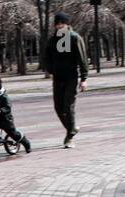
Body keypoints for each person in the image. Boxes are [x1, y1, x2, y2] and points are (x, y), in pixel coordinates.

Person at [40, 12, 88, 148]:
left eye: (62, 23)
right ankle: (72, 128)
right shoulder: (53, 40)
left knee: (68, 106)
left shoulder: (74, 38)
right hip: (58, 78)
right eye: (57, 24)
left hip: (71, 77)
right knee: (58, 107)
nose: (59, 26)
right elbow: (47, 57)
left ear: (67, 24)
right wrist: (49, 69)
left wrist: (84, 78)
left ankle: (70, 137)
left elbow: (82, 58)